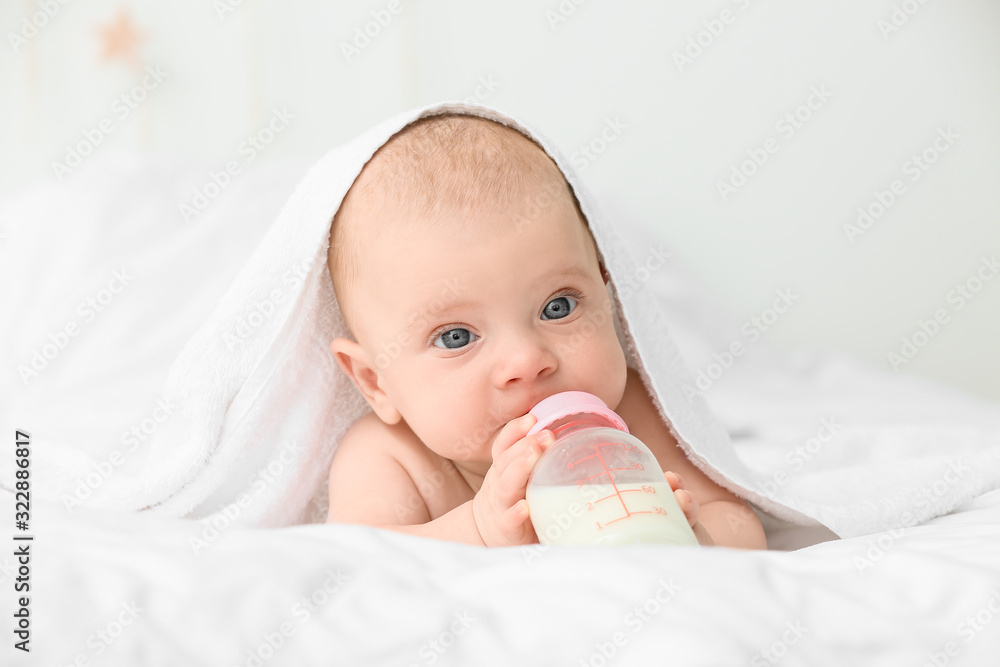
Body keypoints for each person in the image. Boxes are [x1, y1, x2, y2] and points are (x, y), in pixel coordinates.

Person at [324, 112, 766, 549]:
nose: (527, 360)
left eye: (558, 307)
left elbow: (738, 523)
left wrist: (696, 536)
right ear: (373, 381)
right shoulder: (390, 457)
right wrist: (477, 530)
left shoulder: (629, 415)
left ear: (606, 290)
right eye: (455, 337)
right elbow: (357, 562)